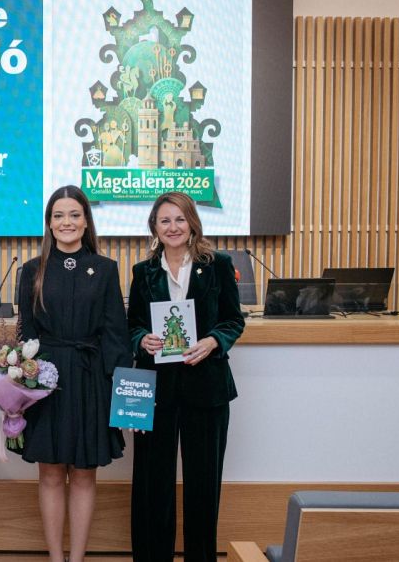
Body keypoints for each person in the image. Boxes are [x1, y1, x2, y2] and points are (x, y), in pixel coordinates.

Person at [127, 191, 245, 562]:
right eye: (165, 220)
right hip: (155, 391)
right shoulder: (143, 272)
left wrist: (213, 341)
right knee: (153, 486)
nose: (173, 227)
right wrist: (141, 339)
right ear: (154, 227)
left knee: (203, 486)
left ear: (192, 222)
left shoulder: (218, 265)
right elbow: (132, 325)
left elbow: (233, 320)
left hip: (206, 388)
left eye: (180, 219)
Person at [16, 185, 131, 562]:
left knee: (83, 473)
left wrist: (125, 397)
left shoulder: (106, 269)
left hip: (89, 378)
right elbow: (26, 333)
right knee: (50, 472)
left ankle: (77, 558)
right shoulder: (31, 270)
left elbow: (116, 335)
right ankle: (55, 557)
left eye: (74, 215)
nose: (66, 222)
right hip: (45, 380)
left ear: (86, 221)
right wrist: (21, 384)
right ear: (49, 223)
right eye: (59, 215)